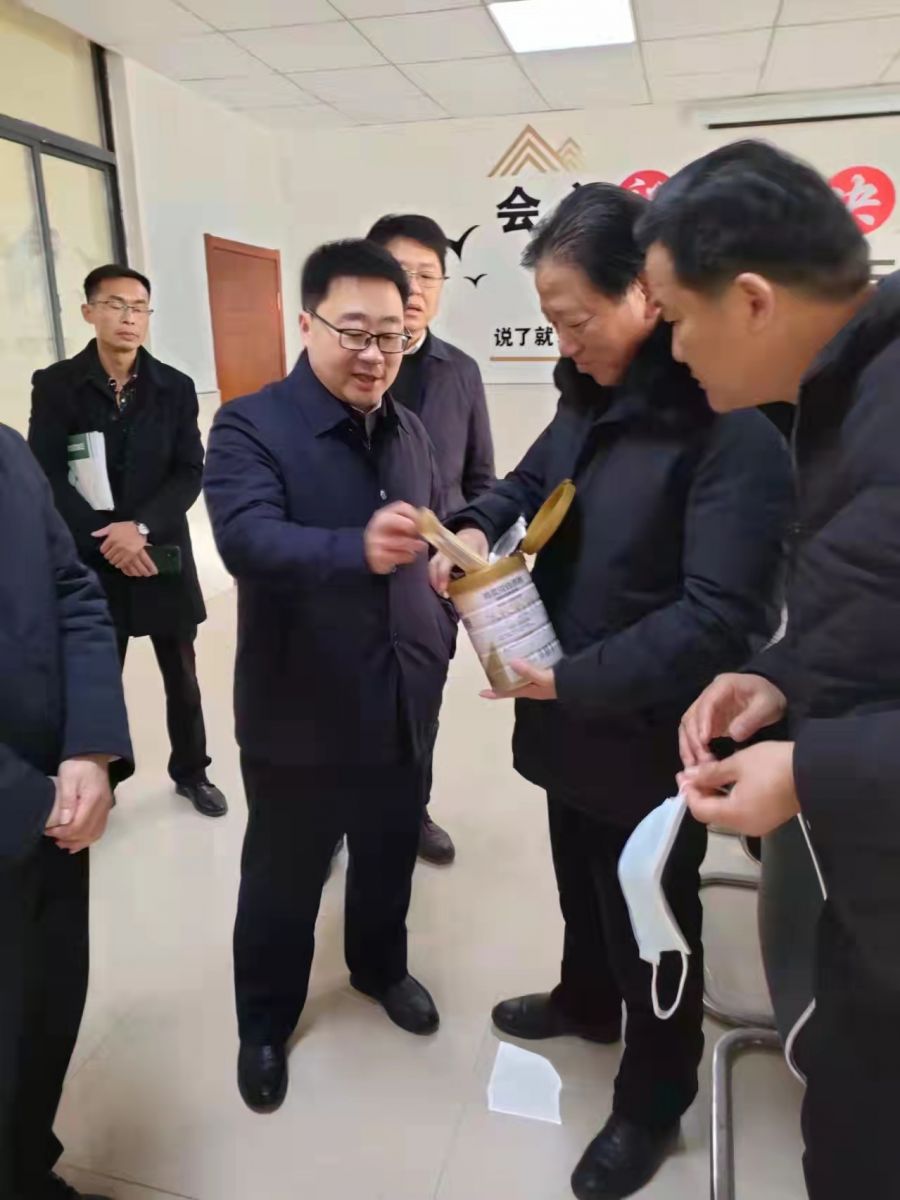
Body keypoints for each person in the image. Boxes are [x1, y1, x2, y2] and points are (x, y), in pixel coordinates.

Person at [430, 184, 792, 1200]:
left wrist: (573, 678)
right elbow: (525, 485)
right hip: (568, 709)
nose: (565, 342)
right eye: (552, 323)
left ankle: (653, 1097)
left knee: (651, 918)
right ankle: (584, 1001)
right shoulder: (589, 397)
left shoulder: (733, 431)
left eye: (576, 320)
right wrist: (470, 525)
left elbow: (722, 619)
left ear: (647, 293)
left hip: (651, 732)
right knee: (578, 878)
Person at [640, 139, 900, 1200]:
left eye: (675, 318)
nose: (671, 348)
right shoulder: (846, 395)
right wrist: (784, 675)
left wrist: (810, 773)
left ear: (750, 300)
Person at [203, 239, 455, 1114]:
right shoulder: (250, 424)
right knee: (285, 874)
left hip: (402, 688)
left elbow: (436, 530)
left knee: (387, 851)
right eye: (354, 331)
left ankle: (379, 968)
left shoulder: (410, 428)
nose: (374, 353)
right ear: (305, 323)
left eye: (392, 335)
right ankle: (265, 1023)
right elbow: (246, 538)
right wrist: (356, 548)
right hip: (299, 701)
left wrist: (451, 594)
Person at [28, 265, 226, 818]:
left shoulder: (174, 387)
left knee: (182, 675)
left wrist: (137, 529)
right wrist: (108, 539)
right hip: (94, 556)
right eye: (115, 304)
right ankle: (104, 779)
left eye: (139, 307)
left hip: (158, 551)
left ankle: (192, 771)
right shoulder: (57, 384)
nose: (128, 317)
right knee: (98, 676)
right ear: (89, 311)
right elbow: (46, 472)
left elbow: (189, 471)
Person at [0, 425, 133, 1200]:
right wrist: (28, 798)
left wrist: (90, 748)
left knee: (44, 1012)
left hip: (56, 813)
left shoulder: (8, 452)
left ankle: (26, 1168)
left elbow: (74, 590)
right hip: (26, 804)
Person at [367, 213, 496, 865]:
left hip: (430, 587)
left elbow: (480, 480)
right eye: (400, 272)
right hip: (351, 577)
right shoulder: (338, 366)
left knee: (420, 708)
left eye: (429, 275)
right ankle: (342, 817)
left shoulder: (460, 372)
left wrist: (468, 539)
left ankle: (411, 811)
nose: (415, 287)